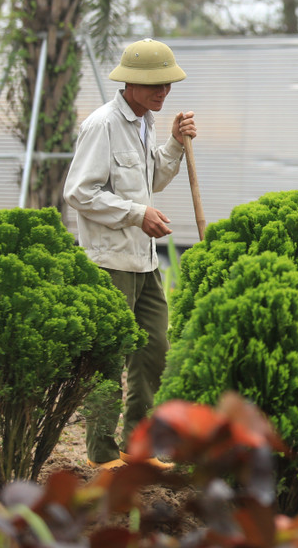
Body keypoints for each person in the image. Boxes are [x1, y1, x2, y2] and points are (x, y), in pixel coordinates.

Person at [64, 38, 197, 470]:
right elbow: (79, 192)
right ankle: (102, 456)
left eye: (168, 84)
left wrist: (175, 143)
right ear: (132, 83)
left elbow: (150, 179)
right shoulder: (102, 125)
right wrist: (137, 215)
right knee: (110, 359)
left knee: (154, 350)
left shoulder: (145, 122)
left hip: (144, 261)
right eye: (156, 84)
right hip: (108, 264)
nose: (164, 92)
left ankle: (137, 447)